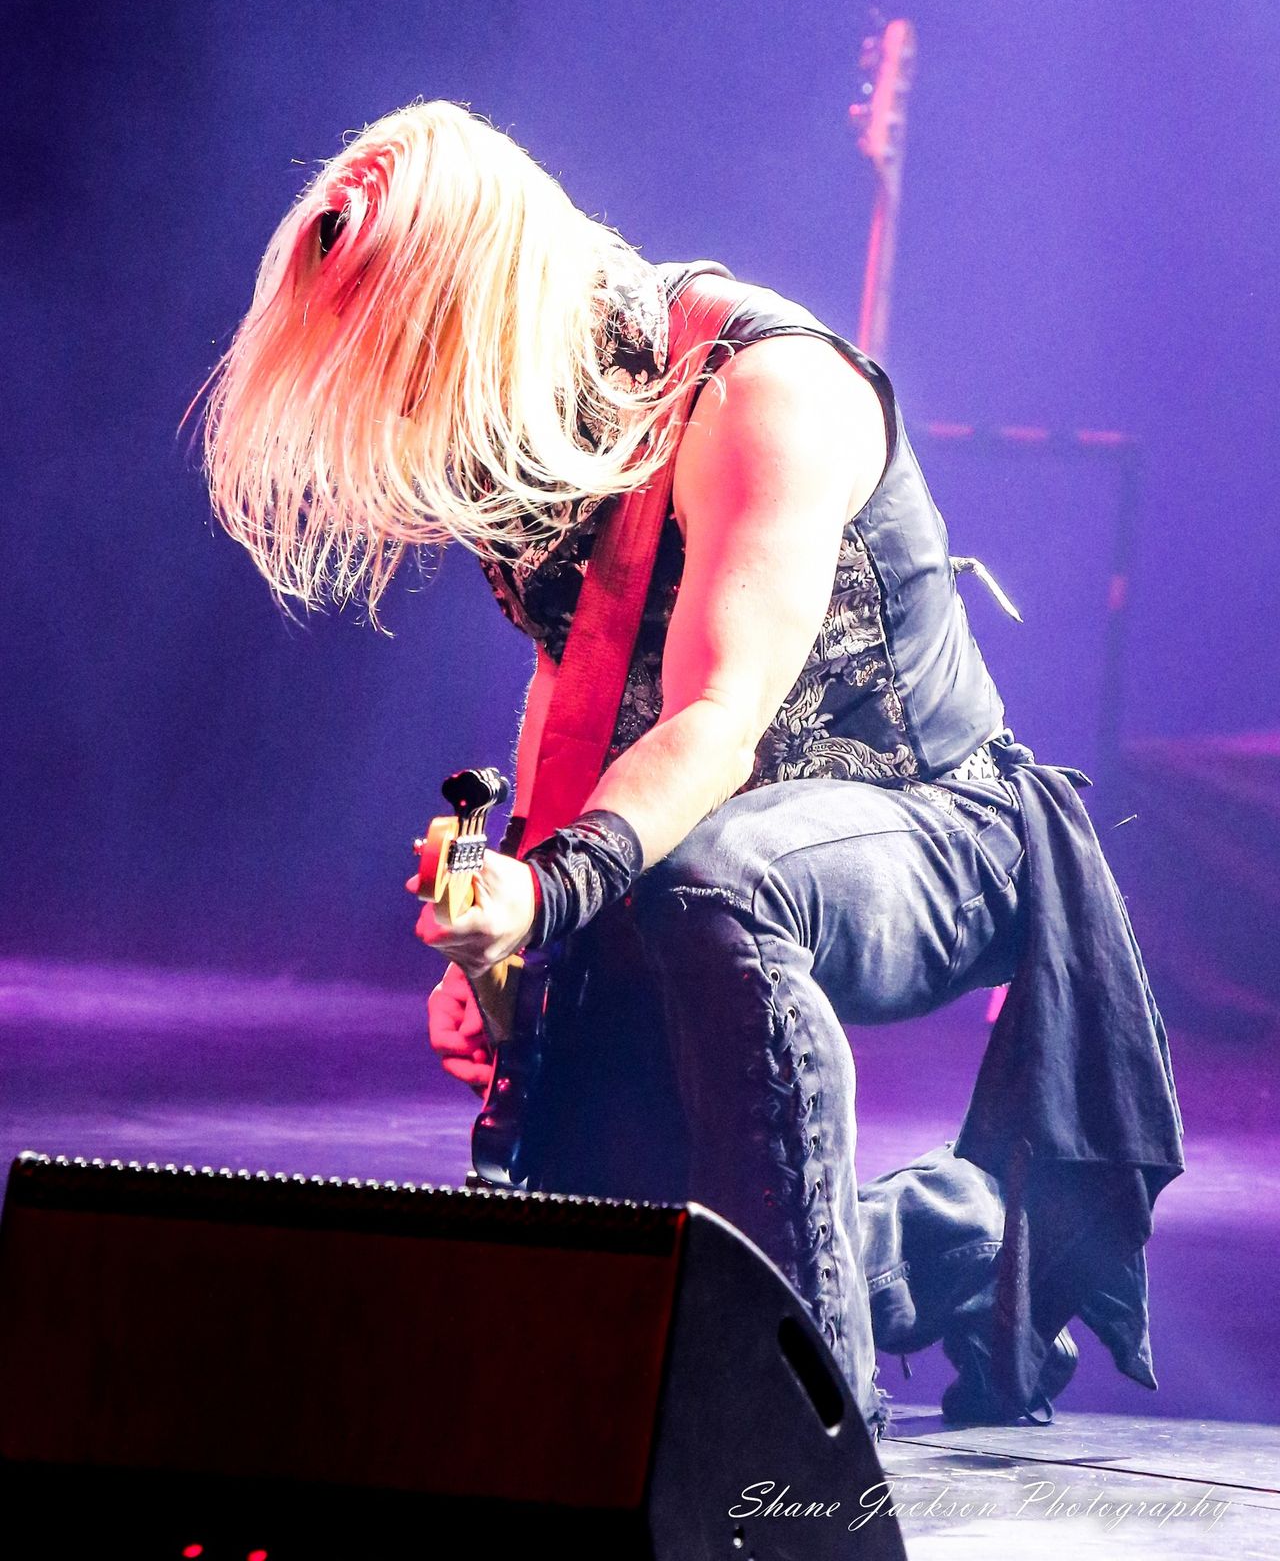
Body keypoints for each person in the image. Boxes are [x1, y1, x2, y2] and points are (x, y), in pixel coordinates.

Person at [200, 99, 1184, 1443]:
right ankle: (963, 1242)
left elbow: (717, 720)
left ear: (468, 310)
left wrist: (550, 893)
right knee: (626, 1258)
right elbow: (573, 689)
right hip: (705, 855)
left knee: (719, 878)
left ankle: (805, 1421)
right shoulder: (544, 434)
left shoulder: (760, 386)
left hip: (942, 831)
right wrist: (505, 938)